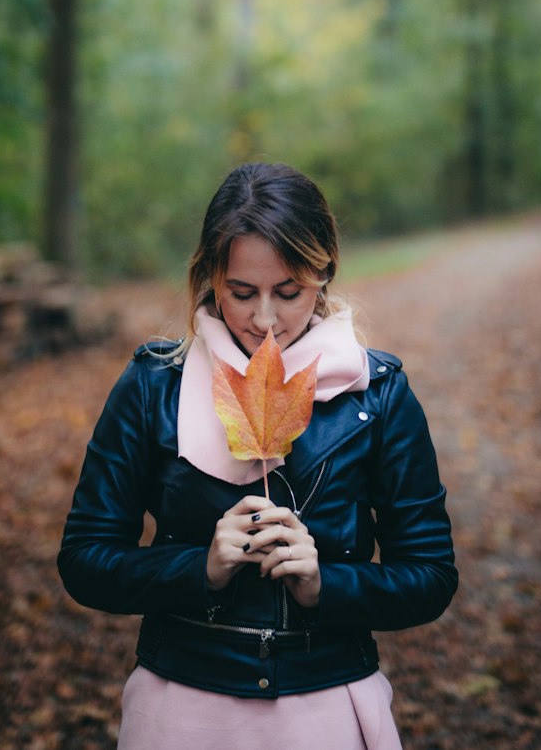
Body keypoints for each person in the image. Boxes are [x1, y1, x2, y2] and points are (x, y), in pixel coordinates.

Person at [58, 162, 457, 749]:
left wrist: (326, 583)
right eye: (242, 293)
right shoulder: (154, 386)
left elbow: (431, 575)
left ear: (323, 274)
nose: (264, 320)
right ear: (208, 278)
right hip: (183, 704)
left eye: (288, 292)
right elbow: (85, 559)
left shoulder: (378, 394)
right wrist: (200, 569)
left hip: (325, 703)